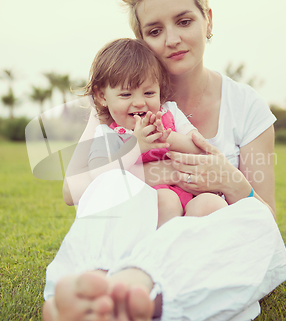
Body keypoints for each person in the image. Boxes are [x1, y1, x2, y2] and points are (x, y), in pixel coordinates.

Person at [42, 0, 286, 321]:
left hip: (203, 244)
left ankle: (115, 310)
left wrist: (229, 180)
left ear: (207, 20)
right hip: (129, 238)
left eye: (184, 21)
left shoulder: (247, 107)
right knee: (112, 186)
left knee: (247, 221)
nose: (173, 39)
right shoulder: (114, 109)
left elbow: (266, 220)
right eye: (155, 30)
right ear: (140, 39)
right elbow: (75, 191)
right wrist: (133, 166)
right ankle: (114, 302)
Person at [85, 38, 227, 227]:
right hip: (141, 209)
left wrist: (168, 136)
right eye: (126, 94)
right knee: (165, 200)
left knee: (212, 203)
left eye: (149, 93)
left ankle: (200, 251)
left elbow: (201, 148)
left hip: (189, 198)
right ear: (102, 96)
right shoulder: (107, 134)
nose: (139, 102)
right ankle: (163, 253)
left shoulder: (170, 112)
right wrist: (135, 146)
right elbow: (98, 174)